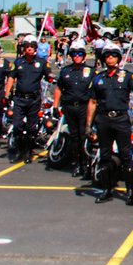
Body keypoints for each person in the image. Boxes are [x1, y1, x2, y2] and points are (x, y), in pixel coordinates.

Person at [86, 42, 133, 203]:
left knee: (126, 156)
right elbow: (92, 102)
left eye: (113, 55)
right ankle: (106, 189)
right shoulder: (98, 78)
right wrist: (88, 125)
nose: (110, 58)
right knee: (105, 156)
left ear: (118, 58)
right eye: (107, 56)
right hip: (103, 120)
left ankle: (130, 192)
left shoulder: (127, 76)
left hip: (121, 119)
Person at [6, 35, 50, 163]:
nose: (29, 49)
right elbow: (11, 79)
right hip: (19, 99)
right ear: (23, 48)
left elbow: (49, 75)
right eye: (27, 47)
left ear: (35, 48)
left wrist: (52, 78)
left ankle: (28, 152)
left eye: (32, 46)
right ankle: (19, 152)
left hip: (34, 100)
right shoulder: (18, 62)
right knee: (17, 126)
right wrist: (6, 93)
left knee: (31, 128)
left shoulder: (41, 62)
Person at [54, 40, 96, 176]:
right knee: (74, 137)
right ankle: (78, 165)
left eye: (79, 54)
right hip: (69, 107)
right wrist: (55, 105)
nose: (77, 56)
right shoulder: (65, 71)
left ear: (84, 56)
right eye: (74, 54)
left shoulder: (91, 72)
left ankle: (87, 165)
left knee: (85, 136)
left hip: (85, 107)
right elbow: (59, 88)